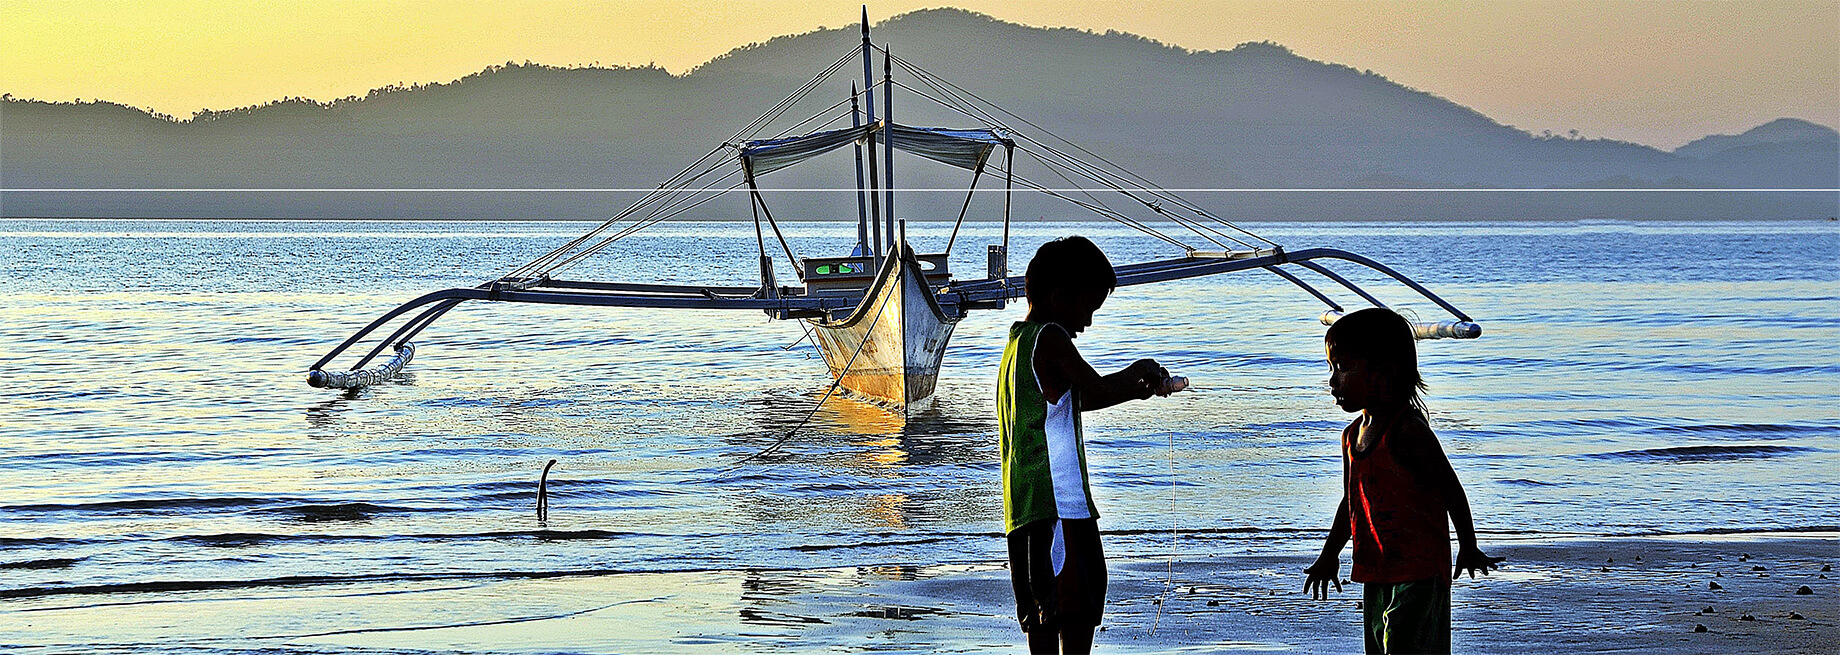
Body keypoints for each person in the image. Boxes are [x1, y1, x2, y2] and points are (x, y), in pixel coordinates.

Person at [999, 236, 1175, 654]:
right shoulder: (1053, 338)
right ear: (1059, 297)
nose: (1089, 322)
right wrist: (1138, 371)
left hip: (1023, 507)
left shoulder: (1017, 343)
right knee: (1075, 613)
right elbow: (1094, 385)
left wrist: (1136, 390)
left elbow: (1083, 397)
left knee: (1041, 616)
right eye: (1088, 308)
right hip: (1060, 505)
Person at [1303, 307, 1505, 654]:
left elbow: (1450, 489)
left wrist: (1468, 546)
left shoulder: (1407, 431)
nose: (1333, 380)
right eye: (1331, 368)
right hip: (1376, 567)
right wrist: (1329, 554)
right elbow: (1351, 502)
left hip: (1420, 568)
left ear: (1384, 372)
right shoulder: (1352, 437)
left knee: (1401, 641)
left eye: (1345, 367)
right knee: (1379, 645)